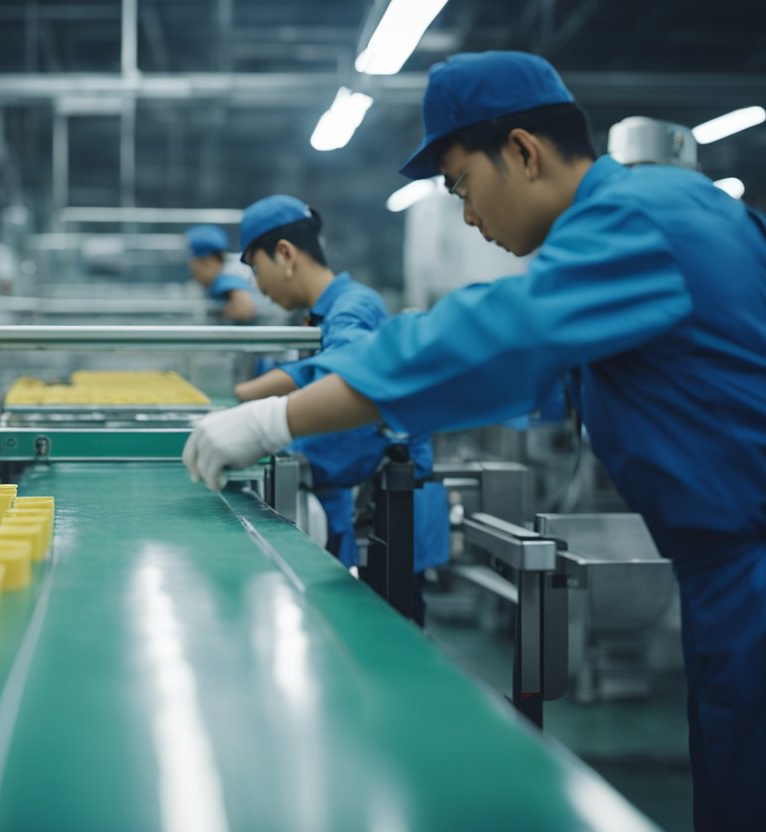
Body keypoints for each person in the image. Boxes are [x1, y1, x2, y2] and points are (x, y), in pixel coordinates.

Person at [181, 50, 766, 831]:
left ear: (521, 152)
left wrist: (269, 419)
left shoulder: (639, 218)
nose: (465, 216)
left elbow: (494, 337)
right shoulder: (656, 212)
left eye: (460, 185)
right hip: (727, 578)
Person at [231, 195, 447, 622]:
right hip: (362, 500)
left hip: (390, 509)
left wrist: (247, 398)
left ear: (286, 254)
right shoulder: (324, 314)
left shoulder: (352, 307)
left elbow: (346, 369)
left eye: (256, 269)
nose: (258, 285)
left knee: (393, 639)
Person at [184, 224, 257, 323]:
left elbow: (245, 309)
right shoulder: (232, 264)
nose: (192, 271)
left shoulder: (226, 278)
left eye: (194, 265)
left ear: (207, 262)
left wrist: (220, 317)